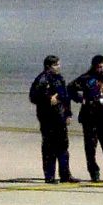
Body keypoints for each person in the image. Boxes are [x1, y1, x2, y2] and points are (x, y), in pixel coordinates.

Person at [69, 55, 103, 182]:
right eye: (99, 67)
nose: (102, 69)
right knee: (90, 148)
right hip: (90, 118)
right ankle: (94, 173)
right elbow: (70, 88)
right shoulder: (86, 79)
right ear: (94, 67)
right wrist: (81, 99)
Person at [29, 54, 74, 184]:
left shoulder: (60, 79)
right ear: (48, 66)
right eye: (56, 65)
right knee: (49, 147)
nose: (58, 67)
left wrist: (68, 114)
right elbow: (33, 97)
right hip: (48, 118)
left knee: (63, 146)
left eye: (59, 64)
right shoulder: (42, 79)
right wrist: (48, 99)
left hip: (60, 117)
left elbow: (65, 97)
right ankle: (50, 176)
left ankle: (65, 175)